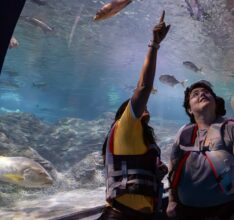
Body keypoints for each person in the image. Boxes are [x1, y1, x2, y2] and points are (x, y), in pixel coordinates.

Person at [98, 11, 170, 220]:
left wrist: (156, 172)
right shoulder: (125, 125)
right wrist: (154, 45)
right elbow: (144, 87)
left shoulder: (140, 138)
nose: (144, 105)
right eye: (137, 106)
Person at [167, 81, 234, 220]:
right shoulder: (183, 133)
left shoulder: (230, 129)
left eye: (207, 92)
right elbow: (173, 167)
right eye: (195, 94)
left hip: (224, 211)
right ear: (189, 109)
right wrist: (171, 200)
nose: (202, 94)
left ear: (215, 102)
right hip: (185, 211)